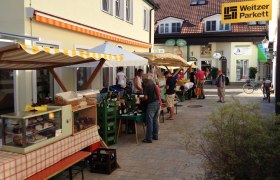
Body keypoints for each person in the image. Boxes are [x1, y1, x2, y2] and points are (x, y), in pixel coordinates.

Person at [142, 74, 160, 143]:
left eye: (143, 80)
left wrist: (142, 99)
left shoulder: (147, 85)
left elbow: (146, 97)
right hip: (157, 103)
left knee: (149, 121)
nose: (143, 82)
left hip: (151, 103)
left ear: (145, 79)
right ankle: (155, 136)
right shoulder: (153, 82)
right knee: (155, 121)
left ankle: (148, 138)